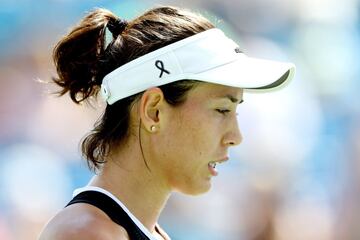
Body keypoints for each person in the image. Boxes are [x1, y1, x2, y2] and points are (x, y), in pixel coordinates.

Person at [38, 5, 295, 240]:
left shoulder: (140, 231)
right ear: (154, 111)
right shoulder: (85, 234)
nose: (236, 137)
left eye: (234, 111)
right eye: (221, 110)